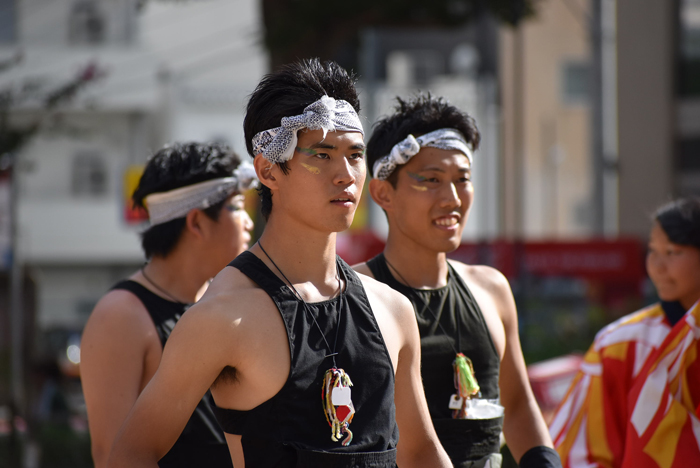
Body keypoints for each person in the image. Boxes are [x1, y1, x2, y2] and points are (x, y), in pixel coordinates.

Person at [106, 59, 451, 468]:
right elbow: (130, 454)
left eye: (355, 154)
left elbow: (422, 452)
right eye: (322, 154)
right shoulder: (224, 315)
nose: (345, 175)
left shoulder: (393, 309)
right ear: (268, 170)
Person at [353, 94, 561, 468]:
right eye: (431, 180)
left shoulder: (490, 288)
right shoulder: (355, 295)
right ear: (384, 193)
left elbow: (515, 406)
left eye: (462, 179)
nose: (451, 198)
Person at [81, 142, 255, 468]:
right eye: (236, 207)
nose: (248, 222)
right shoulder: (122, 315)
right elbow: (111, 455)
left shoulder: (227, 304)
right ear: (196, 222)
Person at [550, 197, 700, 468]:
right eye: (653, 251)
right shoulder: (620, 343)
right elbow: (579, 454)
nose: (657, 265)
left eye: (672, 252)